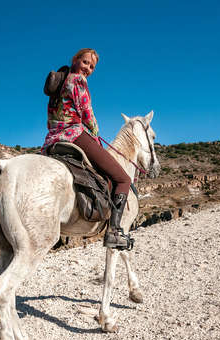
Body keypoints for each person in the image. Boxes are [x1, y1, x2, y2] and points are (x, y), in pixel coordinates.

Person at [42, 48, 132, 249]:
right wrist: (95, 131)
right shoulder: (78, 81)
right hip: (74, 134)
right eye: (85, 62)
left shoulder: (59, 83)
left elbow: (50, 119)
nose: (88, 69)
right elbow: (86, 112)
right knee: (123, 178)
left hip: (51, 139)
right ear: (75, 59)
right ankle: (114, 231)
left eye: (91, 67)